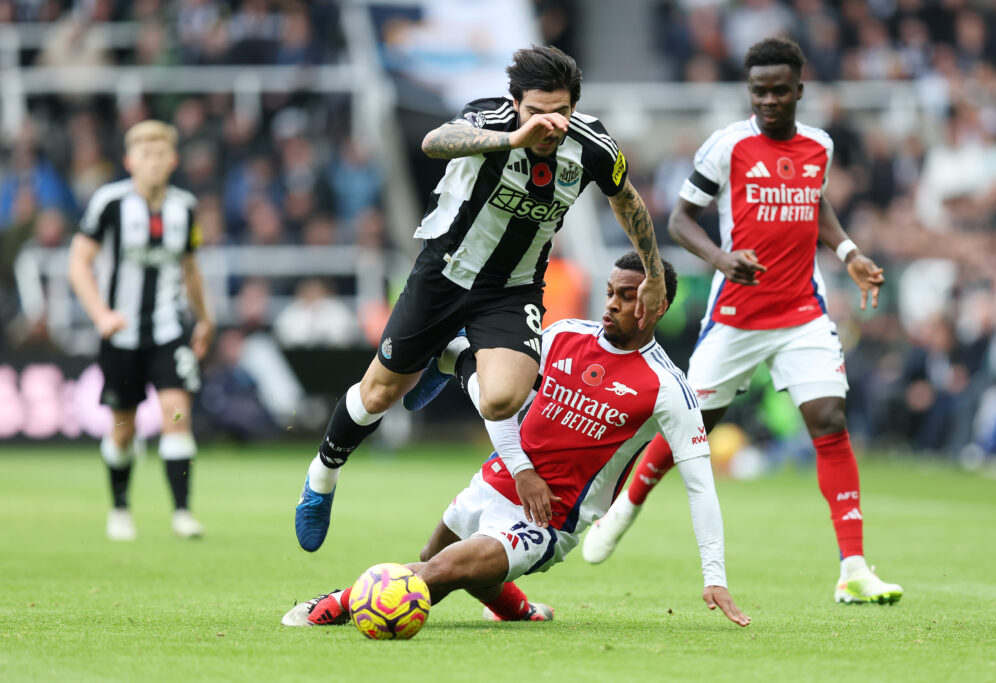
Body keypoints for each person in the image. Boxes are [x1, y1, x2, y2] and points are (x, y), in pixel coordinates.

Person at [295, 45, 667, 552]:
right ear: (516, 104)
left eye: (560, 112)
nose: (549, 123)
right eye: (536, 111)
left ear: (574, 108)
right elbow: (434, 141)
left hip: (511, 289)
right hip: (444, 274)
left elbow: (626, 198)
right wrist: (513, 137)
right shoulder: (491, 119)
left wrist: (652, 270)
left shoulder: (594, 146)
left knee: (503, 398)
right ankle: (322, 477)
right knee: (380, 393)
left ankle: (453, 358)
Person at [581, 38, 903, 606]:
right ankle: (623, 507)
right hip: (736, 314)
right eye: (759, 91)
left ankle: (852, 567)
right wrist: (723, 260)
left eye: (780, 90)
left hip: (802, 309)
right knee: (694, 422)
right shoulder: (727, 146)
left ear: (800, 90)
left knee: (828, 418)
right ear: (749, 92)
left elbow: (815, 203)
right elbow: (680, 219)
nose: (769, 100)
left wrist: (850, 252)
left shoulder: (818, 146)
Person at [282, 253, 749, 628]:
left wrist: (715, 577)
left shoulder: (668, 388)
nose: (610, 304)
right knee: (434, 558)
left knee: (442, 572)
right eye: (609, 292)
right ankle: (517, 609)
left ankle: (342, 601)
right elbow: (498, 404)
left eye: (626, 297)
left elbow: (700, 483)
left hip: (548, 518)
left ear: (657, 306)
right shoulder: (563, 336)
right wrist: (522, 470)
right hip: (497, 478)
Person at [68, 120, 214, 541]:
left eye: (160, 153)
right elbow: (79, 262)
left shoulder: (184, 208)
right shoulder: (109, 202)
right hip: (121, 334)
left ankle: (183, 512)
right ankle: (119, 508)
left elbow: (190, 268)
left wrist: (204, 318)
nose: (153, 161)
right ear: (130, 161)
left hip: (169, 331)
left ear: (173, 160)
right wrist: (101, 314)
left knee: (177, 414)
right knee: (123, 428)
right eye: (144, 154)